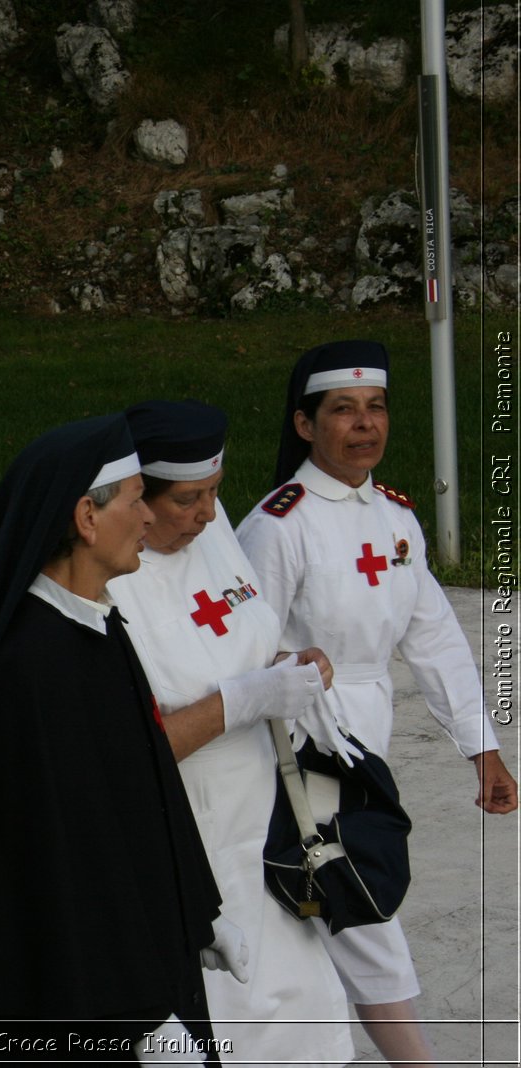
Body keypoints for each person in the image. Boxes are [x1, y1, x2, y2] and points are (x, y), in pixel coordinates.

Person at [0, 414, 234, 1063]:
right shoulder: (33, 669)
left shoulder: (95, 628)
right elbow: (68, 869)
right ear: (86, 519)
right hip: (72, 1004)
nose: (148, 517)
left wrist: (190, 916)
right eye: (136, 498)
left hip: (127, 973)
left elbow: (140, 796)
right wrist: (144, 1015)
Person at [237, 340, 519, 1067]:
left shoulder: (395, 518)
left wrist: (480, 746)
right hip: (299, 744)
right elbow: (237, 646)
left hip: (367, 731)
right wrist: (286, 666)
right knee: (353, 893)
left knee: (325, 901)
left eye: (376, 408)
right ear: (305, 425)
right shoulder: (278, 523)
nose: (365, 425)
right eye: (343, 411)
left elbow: (434, 636)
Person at [106, 400, 353, 1065]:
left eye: (215, 491)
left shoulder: (206, 533)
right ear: (135, 498)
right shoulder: (110, 584)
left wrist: (287, 670)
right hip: (190, 838)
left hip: (270, 827)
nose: (210, 514)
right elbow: (124, 750)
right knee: (228, 1022)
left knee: (301, 1020)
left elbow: (241, 641)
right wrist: (246, 699)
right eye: (187, 500)